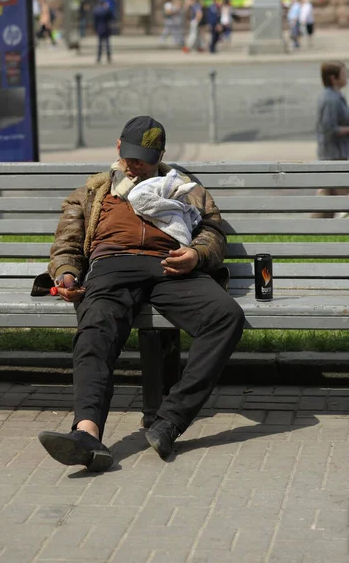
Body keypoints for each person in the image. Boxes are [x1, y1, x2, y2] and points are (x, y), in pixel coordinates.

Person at [36, 115, 245, 471]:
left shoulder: (183, 186)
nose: (134, 165)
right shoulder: (93, 190)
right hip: (111, 266)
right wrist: (68, 274)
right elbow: (66, 243)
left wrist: (195, 254)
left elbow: (213, 231)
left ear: (160, 154)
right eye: (129, 156)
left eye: (143, 160)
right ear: (118, 148)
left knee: (226, 316)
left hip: (171, 266)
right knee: (96, 330)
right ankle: (86, 434)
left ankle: (170, 421)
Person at [314, 61, 349, 218]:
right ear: (333, 78)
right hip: (333, 153)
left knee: (329, 195)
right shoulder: (331, 99)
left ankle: (314, 228)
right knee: (339, 194)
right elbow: (329, 129)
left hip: (335, 152)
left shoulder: (335, 95)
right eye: (343, 74)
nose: (346, 77)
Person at [93, 0, 114, 64]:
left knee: (100, 44)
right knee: (107, 44)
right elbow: (112, 17)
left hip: (99, 28)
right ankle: (108, 57)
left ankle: (99, 58)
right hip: (106, 28)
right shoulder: (107, 10)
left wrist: (95, 29)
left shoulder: (96, 9)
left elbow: (95, 21)